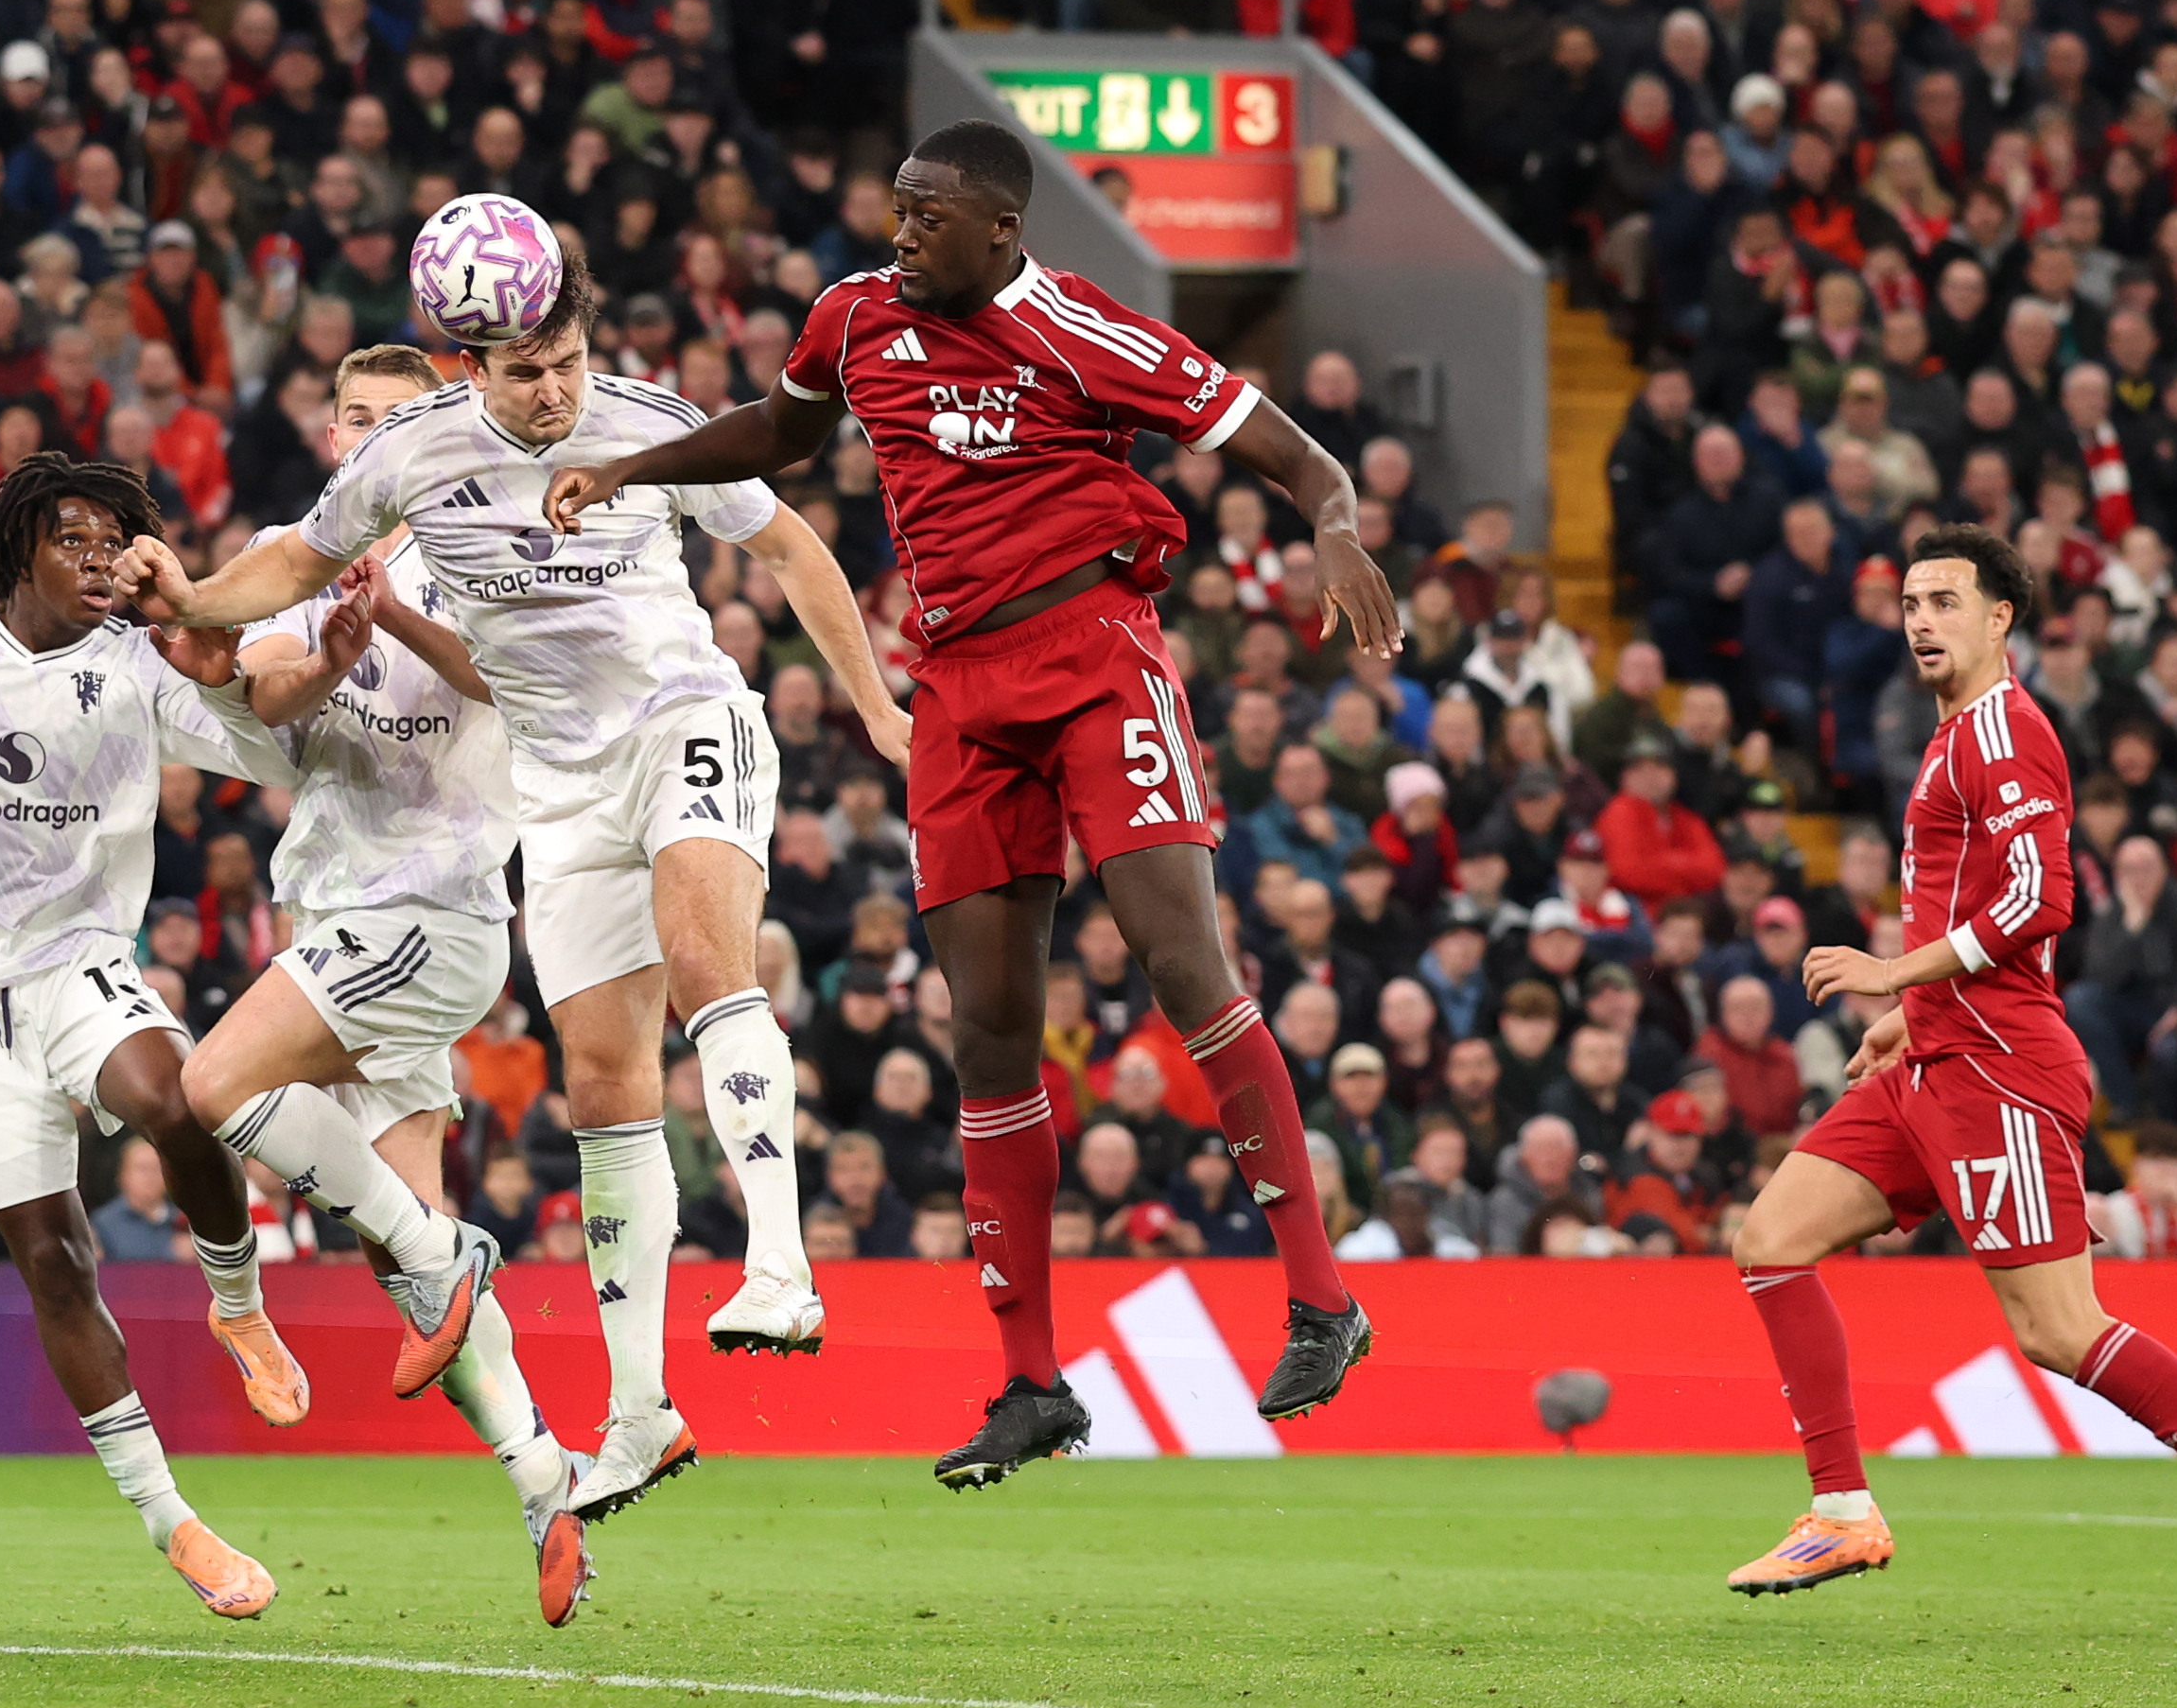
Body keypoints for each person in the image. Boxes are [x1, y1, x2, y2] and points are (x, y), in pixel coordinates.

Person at [538, 119, 1403, 1490]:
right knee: (989, 1031)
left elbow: (1299, 457)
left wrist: (1337, 527)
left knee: (1184, 963)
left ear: (1001, 229)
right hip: (955, 691)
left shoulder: (1086, 330)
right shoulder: (852, 319)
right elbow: (783, 431)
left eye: (927, 214)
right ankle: (1029, 1381)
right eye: (896, 207)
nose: (901, 232)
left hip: (1095, 658)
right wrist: (631, 470)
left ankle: (1319, 1296)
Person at [115, 240, 906, 1523]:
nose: (555, 394)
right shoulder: (413, 453)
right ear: (471, 363)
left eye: (569, 364)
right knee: (604, 1086)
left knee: (712, 966)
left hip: (680, 720)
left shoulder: (651, 422)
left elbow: (795, 549)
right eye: (529, 372)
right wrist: (194, 590)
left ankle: (778, 1264)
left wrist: (873, 706)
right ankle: (638, 1416)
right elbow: (295, 569)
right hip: (560, 788)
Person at [1732, 523, 2177, 1629]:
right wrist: (1906, 1017)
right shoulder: (1952, 734)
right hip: (1932, 1052)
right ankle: (1841, 1508)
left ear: (1999, 617)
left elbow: (2036, 903)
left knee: (2059, 1330)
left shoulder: (2006, 734)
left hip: (2001, 1069)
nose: (1922, 620)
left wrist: (1893, 973)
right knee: (1769, 1241)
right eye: (1911, 603)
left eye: (1945, 602)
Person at [0, 450, 310, 1620]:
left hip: (78, 965)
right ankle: (173, 1522)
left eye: (114, 546)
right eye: (74, 543)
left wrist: (223, 663)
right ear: (21, 547)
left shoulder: (138, 664)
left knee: (179, 1098)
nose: (97, 564)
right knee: (53, 1257)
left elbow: (268, 753)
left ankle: (234, 1298)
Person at [182, 343, 588, 1626]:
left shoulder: (486, 538)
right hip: (342, 911)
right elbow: (267, 687)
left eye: (389, 418)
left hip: (429, 908)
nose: (365, 435)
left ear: (428, 426)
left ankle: (439, 1247)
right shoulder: (299, 551)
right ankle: (543, 1474)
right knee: (403, 1265)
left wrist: (394, 618)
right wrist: (332, 645)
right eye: (350, 416)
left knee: (212, 1084)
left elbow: (507, 675)